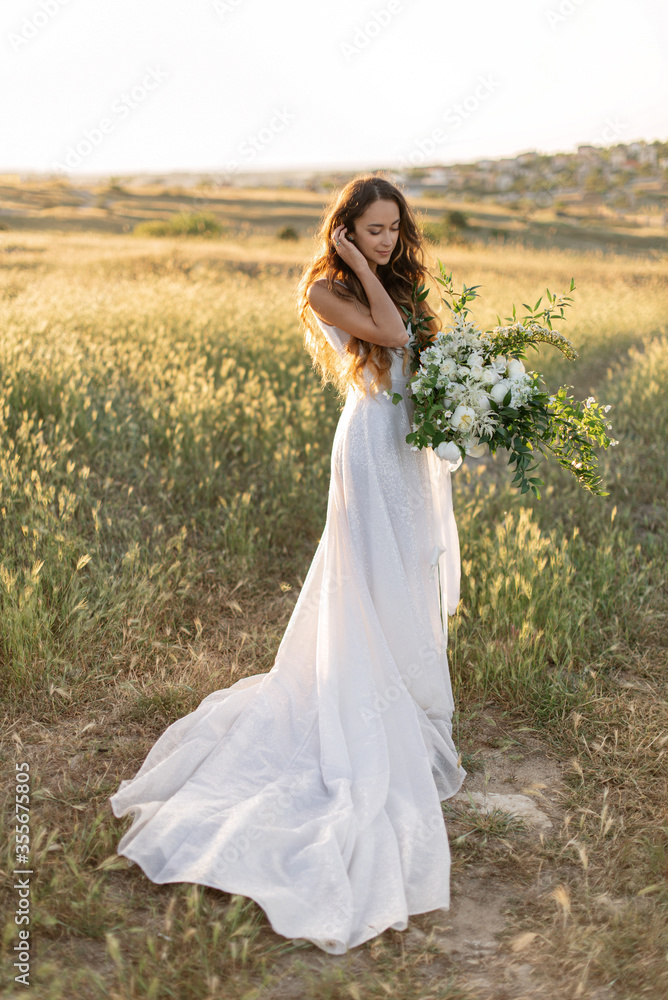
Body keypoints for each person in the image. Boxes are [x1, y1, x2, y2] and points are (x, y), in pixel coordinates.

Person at [109, 174, 467, 956]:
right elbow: (393, 339)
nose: (388, 242)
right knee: (365, 573)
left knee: (409, 568)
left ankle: (403, 694)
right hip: (369, 446)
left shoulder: (397, 278)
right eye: (372, 230)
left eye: (394, 231)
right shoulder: (324, 289)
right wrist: (363, 270)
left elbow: (421, 348)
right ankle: (357, 698)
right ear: (345, 230)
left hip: (406, 445)